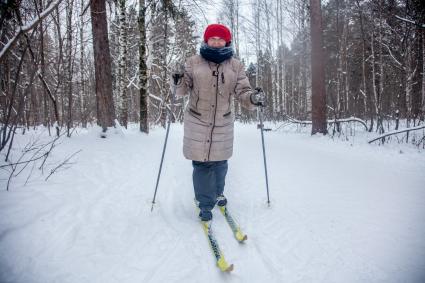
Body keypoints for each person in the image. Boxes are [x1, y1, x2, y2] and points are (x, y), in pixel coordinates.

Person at [172, 23, 265, 222]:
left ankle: (218, 192)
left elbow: (242, 91)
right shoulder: (193, 62)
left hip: (222, 121)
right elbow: (180, 92)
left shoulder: (235, 65)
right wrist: (178, 80)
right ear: (206, 40)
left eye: (220, 39)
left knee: (220, 163)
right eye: (212, 38)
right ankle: (205, 203)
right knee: (202, 164)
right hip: (197, 120)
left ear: (227, 41)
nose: (216, 42)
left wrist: (252, 99)